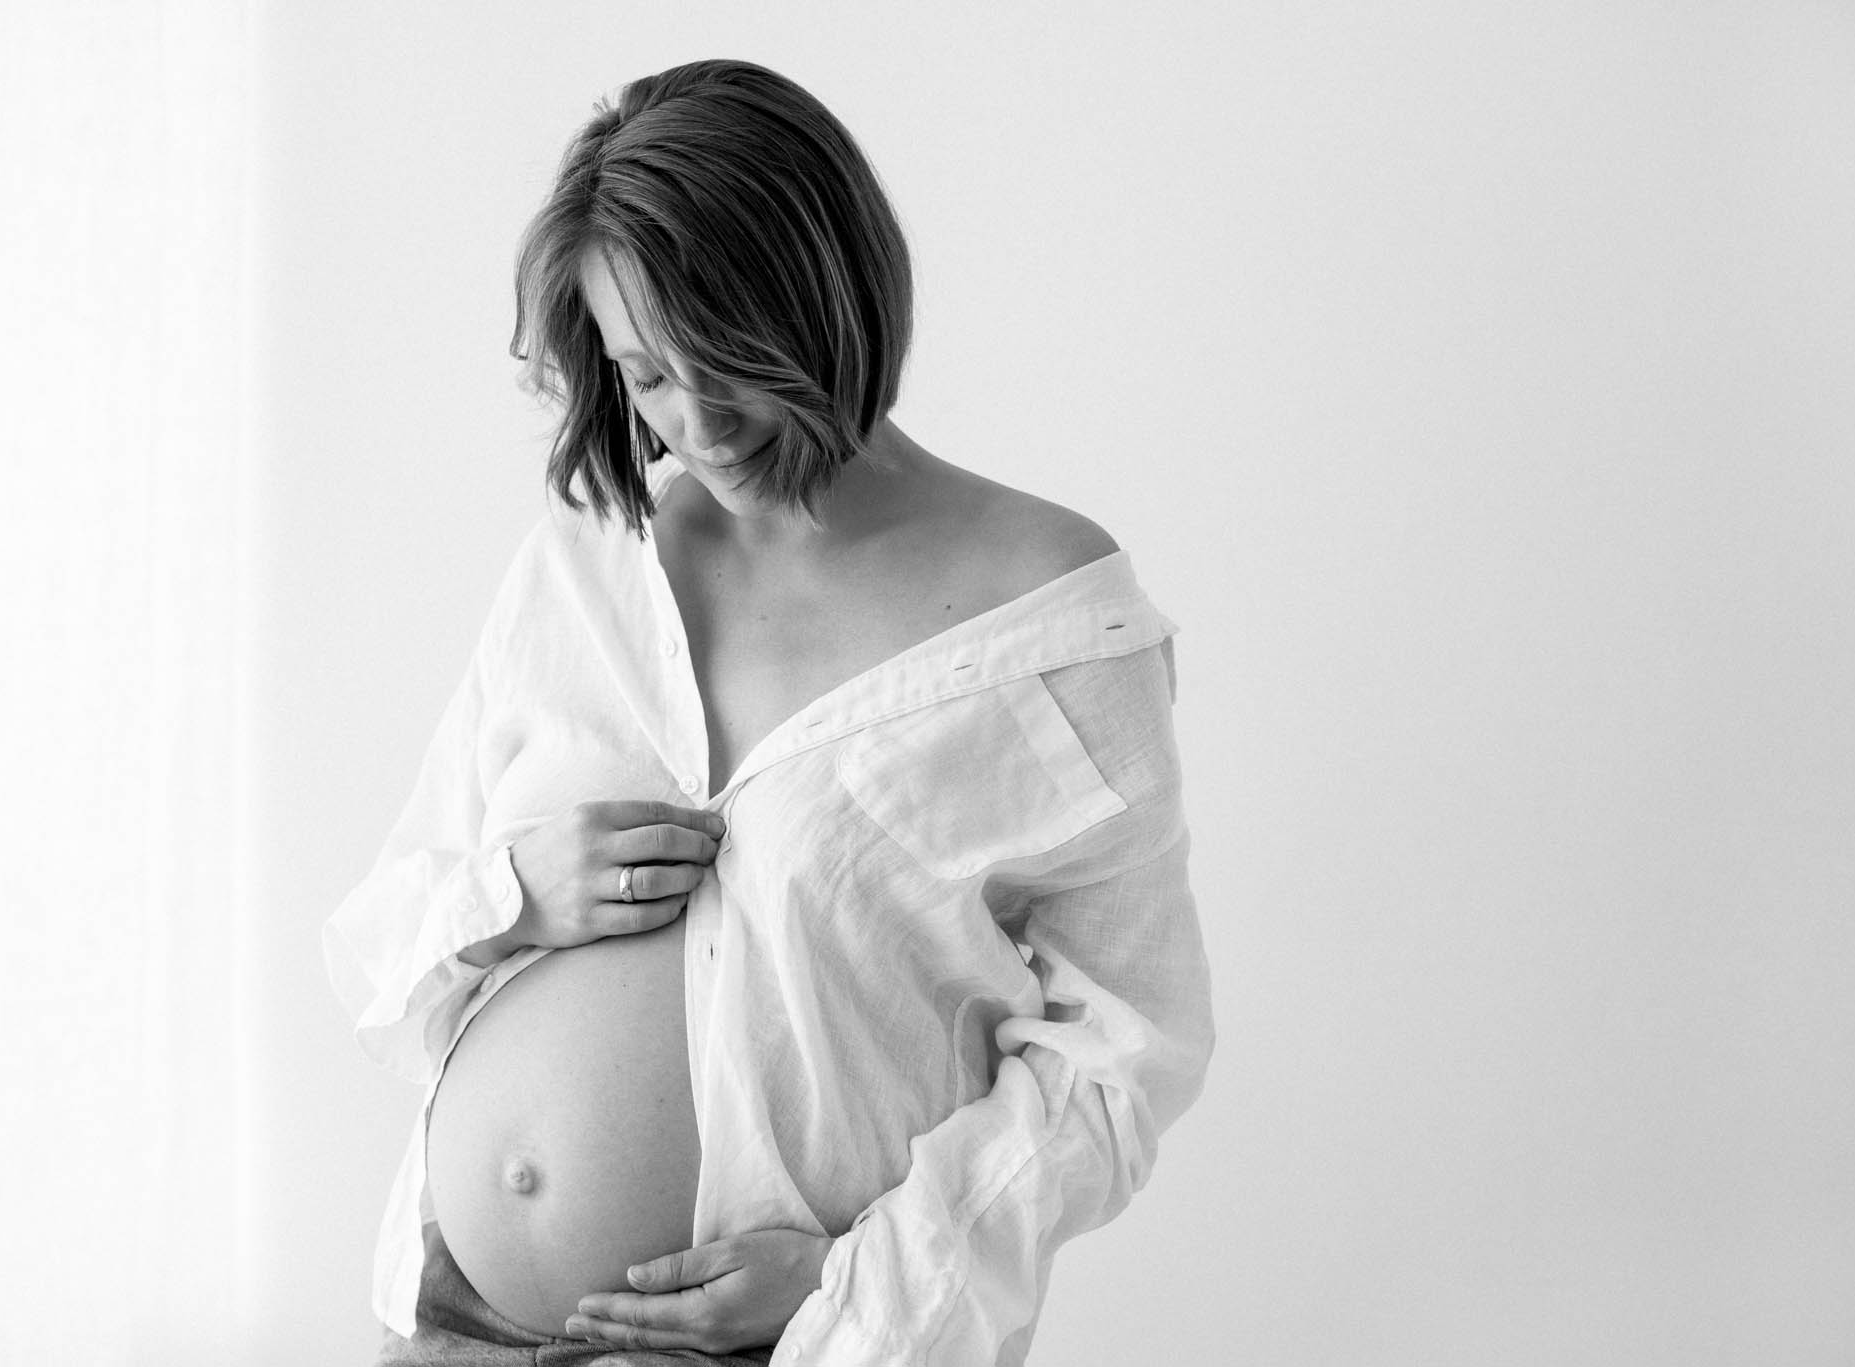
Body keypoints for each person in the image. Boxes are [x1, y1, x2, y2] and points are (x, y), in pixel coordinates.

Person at [323, 57, 1214, 1367]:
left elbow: (1122, 1056)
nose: (698, 422)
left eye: (725, 359)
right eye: (646, 377)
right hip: (452, 1321)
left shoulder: (1051, 622)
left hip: (779, 1346)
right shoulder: (593, 559)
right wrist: (514, 896)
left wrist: (862, 1281)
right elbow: (380, 938)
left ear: (827, 293)